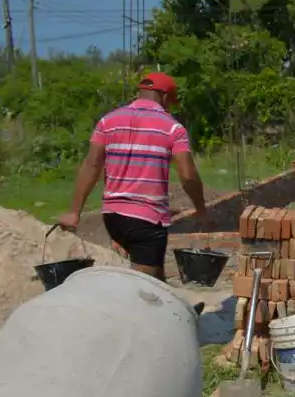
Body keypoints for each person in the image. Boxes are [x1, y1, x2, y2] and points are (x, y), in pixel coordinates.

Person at [57, 72, 210, 282]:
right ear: (165, 97)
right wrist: (201, 210)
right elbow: (188, 175)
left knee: (156, 277)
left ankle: (171, 309)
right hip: (146, 220)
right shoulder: (173, 128)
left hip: (113, 217)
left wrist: (74, 212)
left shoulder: (107, 121)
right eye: (170, 103)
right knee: (143, 287)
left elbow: (92, 165)